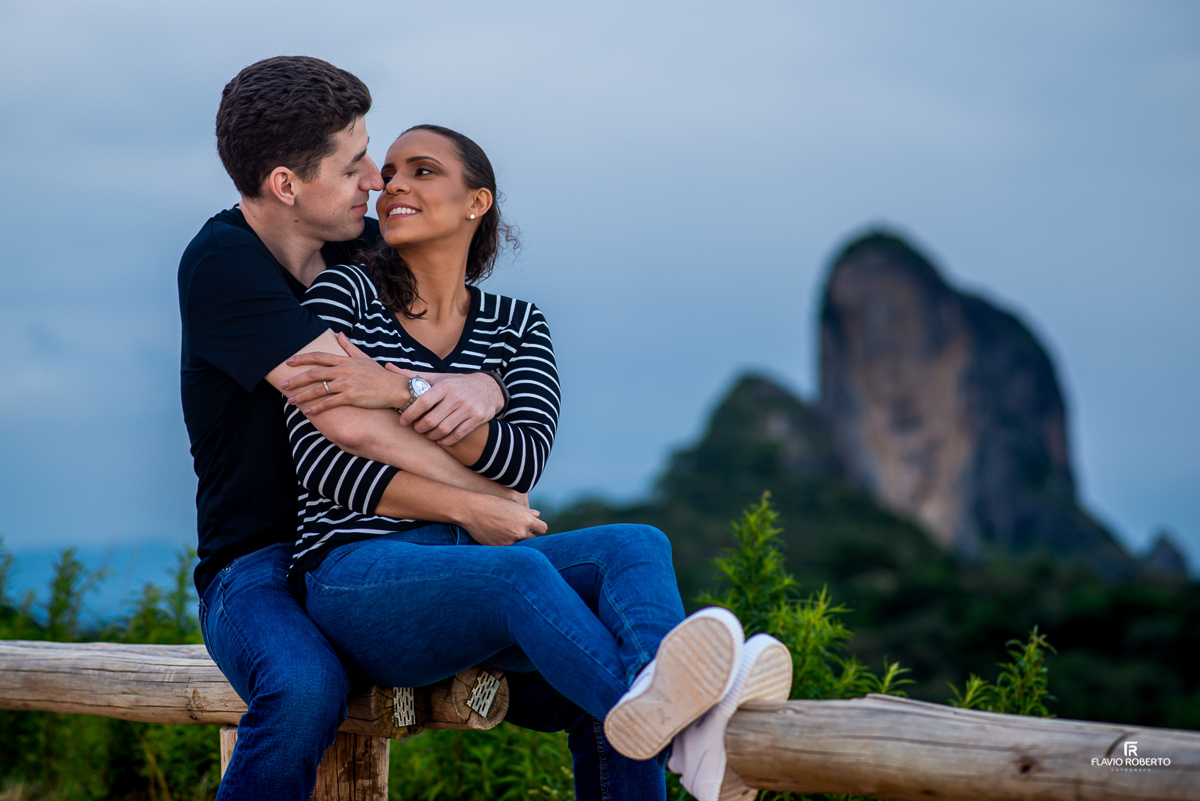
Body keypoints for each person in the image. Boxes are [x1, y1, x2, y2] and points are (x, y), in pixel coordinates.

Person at [275, 124, 795, 801]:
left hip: (478, 563)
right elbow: (323, 461)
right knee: (516, 570)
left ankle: (659, 704)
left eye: (422, 170)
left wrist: (399, 390)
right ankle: (692, 738)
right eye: (391, 170)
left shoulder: (519, 326)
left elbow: (520, 461)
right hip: (355, 576)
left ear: (476, 202)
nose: (392, 183)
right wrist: (464, 433)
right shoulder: (340, 298)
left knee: (636, 543)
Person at [179, 57, 525, 800]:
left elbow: (470, 332)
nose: (377, 178)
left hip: (373, 542)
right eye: (355, 162)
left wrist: (489, 384)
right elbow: (346, 414)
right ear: (286, 185)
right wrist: (481, 491)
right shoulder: (221, 267)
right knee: (305, 689)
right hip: (258, 564)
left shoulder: (361, 251)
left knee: (568, 662)